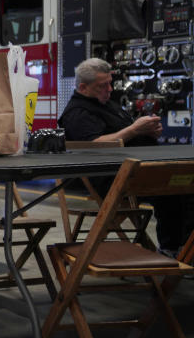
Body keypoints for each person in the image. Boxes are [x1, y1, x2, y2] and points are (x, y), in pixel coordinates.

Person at [58, 57, 193, 255]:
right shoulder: (78, 112)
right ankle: (173, 249)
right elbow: (94, 145)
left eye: (110, 83)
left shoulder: (106, 104)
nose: (110, 89)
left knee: (186, 184)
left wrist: (147, 131)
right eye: (102, 86)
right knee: (175, 186)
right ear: (83, 87)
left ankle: (182, 249)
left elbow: (126, 132)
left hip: (132, 170)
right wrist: (134, 129)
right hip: (108, 176)